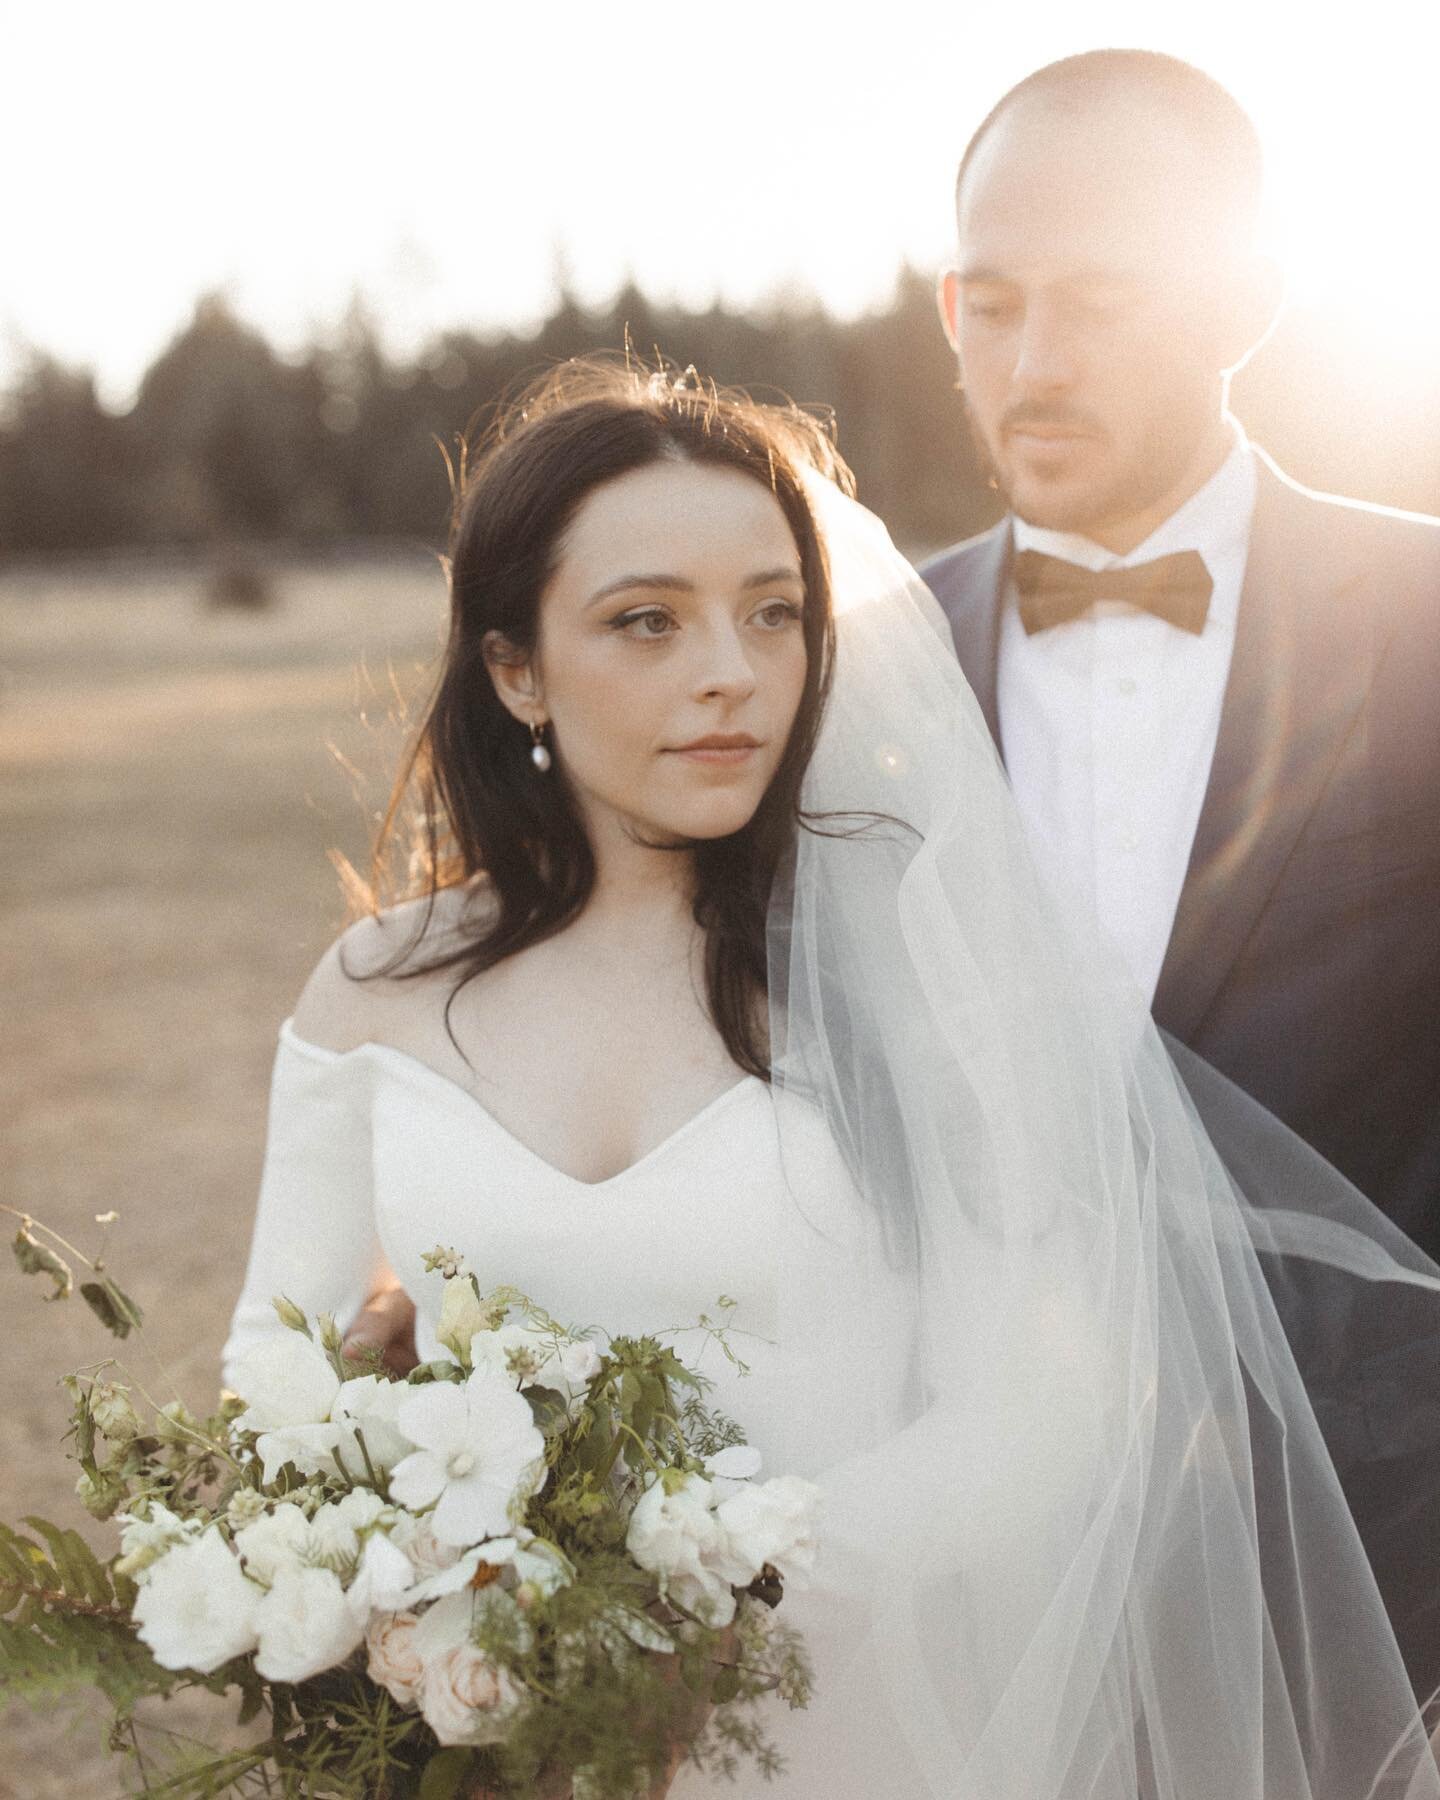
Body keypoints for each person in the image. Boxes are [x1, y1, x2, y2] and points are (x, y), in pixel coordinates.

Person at [225, 359, 1440, 1798]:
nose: (730, 668)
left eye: (773, 613)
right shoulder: (379, 988)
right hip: (483, 1733)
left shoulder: (915, 976)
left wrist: (700, 1587)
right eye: (648, 622)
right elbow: (277, 1359)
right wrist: (391, 1574)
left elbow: (1057, 1401)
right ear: (514, 667)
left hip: (858, 1728)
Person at [923, 49, 1440, 1258]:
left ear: (1242, 310)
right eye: (994, 307)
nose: (1036, 366)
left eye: (1100, 305)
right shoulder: (865, 661)